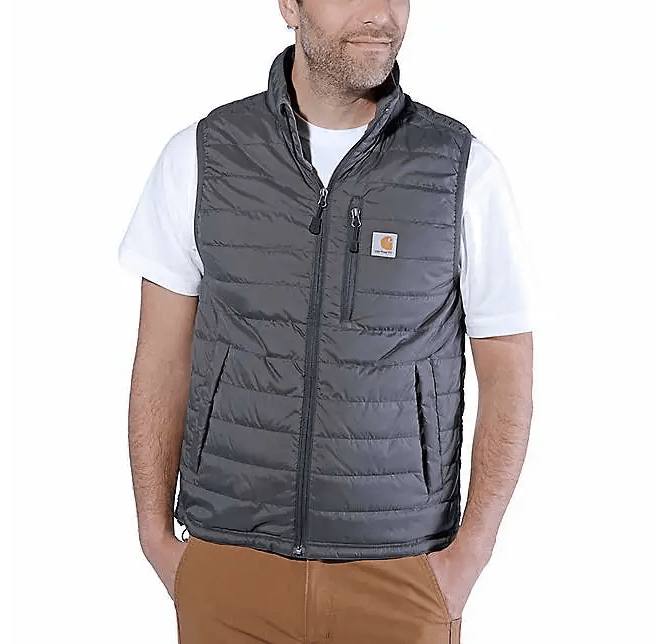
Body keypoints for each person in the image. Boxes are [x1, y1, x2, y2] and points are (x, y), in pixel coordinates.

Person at [118, 1, 534, 642]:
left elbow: (508, 376)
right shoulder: (203, 156)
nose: (381, 13)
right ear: (290, 5)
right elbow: (161, 361)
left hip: (401, 572)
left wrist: (466, 560)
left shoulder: (460, 169)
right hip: (229, 564)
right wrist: (155, 535)